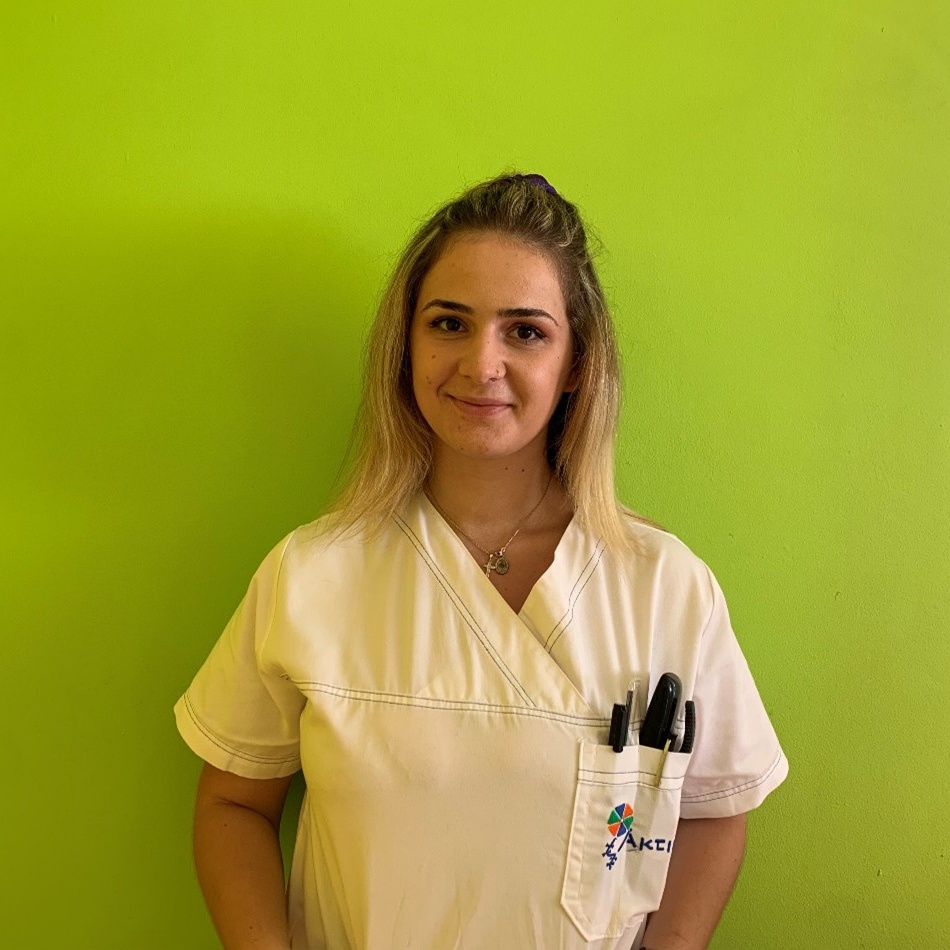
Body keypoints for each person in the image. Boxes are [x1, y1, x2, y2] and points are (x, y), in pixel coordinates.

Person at [175, 172, 788, 950]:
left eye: (525, 331)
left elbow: (714, 808)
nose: (480, 363)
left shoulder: (664, 586)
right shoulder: (312, 575)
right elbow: (232, 803)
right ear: (407, 345)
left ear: (576, 362)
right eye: (449, 323)